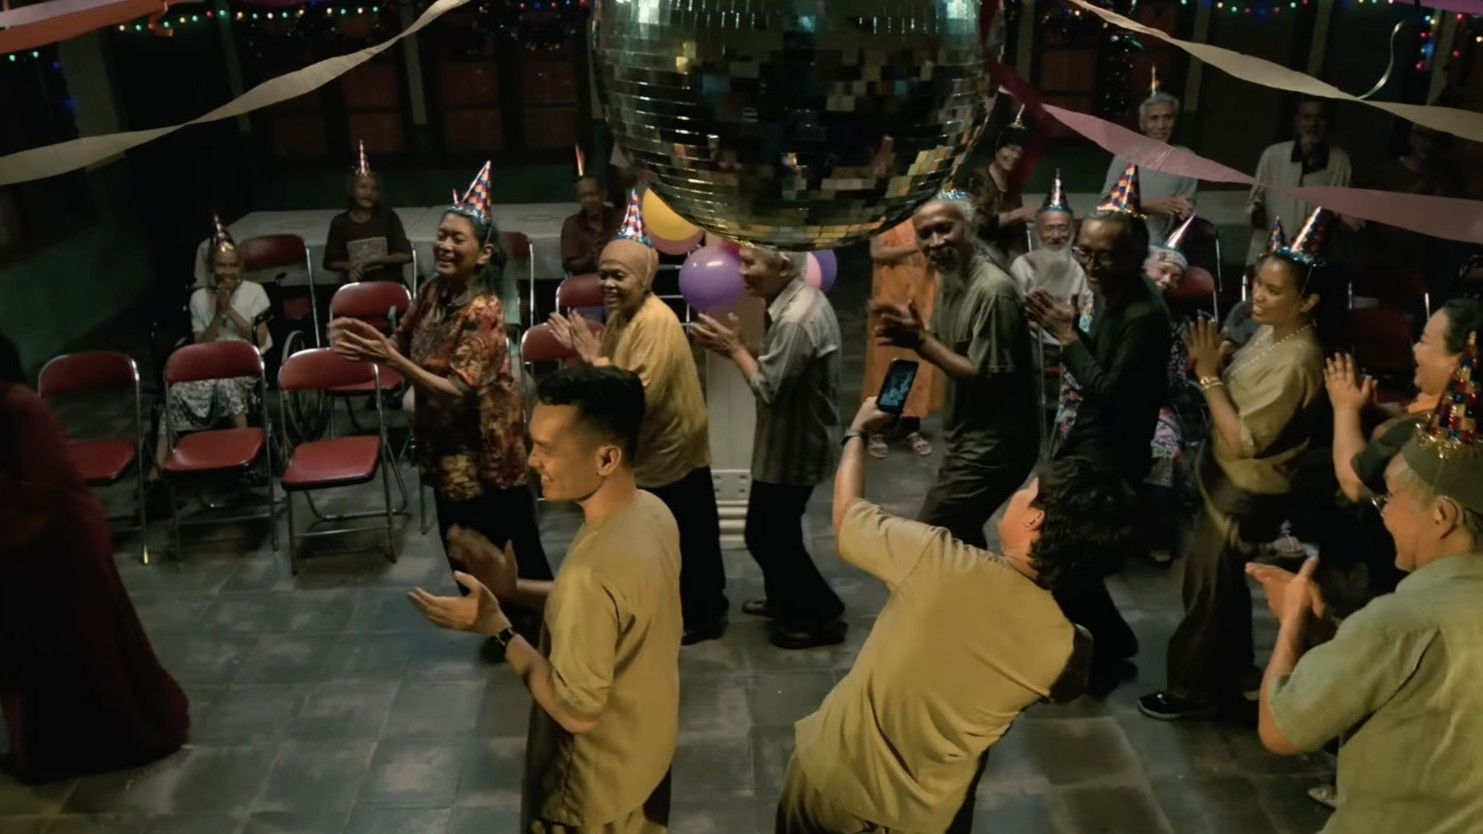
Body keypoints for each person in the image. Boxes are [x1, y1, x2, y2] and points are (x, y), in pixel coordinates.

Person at [775, 397, 1139, 834]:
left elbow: (847, 515)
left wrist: (858, 432)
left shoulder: (937, 561)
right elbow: (1064, 687)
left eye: (1027, 492)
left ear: (1035, 520)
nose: (1017, 496)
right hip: (926, 819)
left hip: (831, 782)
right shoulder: (1068, 649)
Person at [410, 367, 681, 832]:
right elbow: (609, 611)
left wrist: (498, 629)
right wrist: (512, 590)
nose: (532, 461)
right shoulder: (653, 513)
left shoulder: (588, 576)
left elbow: (575, 711)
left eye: (548, 449)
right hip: (644, 759)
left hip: (590, 797)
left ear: (606, 458)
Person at [1247, 345, 1483, 833]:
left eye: (1389, 499)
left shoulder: (1399, 621)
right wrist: (1326, 633)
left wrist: (1292, 620)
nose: (1385, 514)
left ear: (1442, 516)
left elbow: (1281, 729)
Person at [333, 162, 552, 649]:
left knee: (513, 547)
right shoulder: (432, 291)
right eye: (441, 236)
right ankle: (496, 626)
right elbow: (403, 338)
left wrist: (392, 360)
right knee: (462, 547)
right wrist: (368, 343)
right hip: (447, 449)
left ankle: (542, 628)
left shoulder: (485, 310)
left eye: (458, 239)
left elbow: (458, 388)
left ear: (484, 254)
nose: (445, 246)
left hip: (491, 454)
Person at [1139, 207, 1333, 720]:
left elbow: (1246, 439)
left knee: (1207, 591)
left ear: (1308, 301)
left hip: (1245, 490)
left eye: (1273, 290)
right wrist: (1223, 360)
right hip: (1223, 480)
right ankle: (1237, 675)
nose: (1258, 297)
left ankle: (1193, 689)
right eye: (1258, 283)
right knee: (1219, 588)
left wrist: (1208, 375)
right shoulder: (1272, 331)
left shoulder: (1298, 359)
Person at [0, 332, 190, 783]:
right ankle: (44, 748)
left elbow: (43, 487)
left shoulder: (18, 406)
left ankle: (83, 745)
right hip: (25, 539)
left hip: (57, 541)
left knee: (83, 645)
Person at [546, 195, 728, 644]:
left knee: (688, 539)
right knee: (667, 539)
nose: (607, 284)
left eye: (619, 276)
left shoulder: (655, 323)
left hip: (672, 449)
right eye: (604, 274)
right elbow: (612, 376)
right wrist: (591, 359)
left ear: (644, 280)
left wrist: (591, 358)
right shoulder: (622, 318)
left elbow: (635, 396)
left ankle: (704, 614)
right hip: (650, 448)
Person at [1025, 165, 1171, 689]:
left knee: (1065, 559)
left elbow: (1111, 392)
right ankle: (1109, 641)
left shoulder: (1144, 315)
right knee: (1069, 560)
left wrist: (1067, 338)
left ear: (1134, 257)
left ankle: (1104, 651)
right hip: (1089, 440)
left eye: (1104, 256)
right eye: (1084, 252)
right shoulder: (1110, 294)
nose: (1090, 264)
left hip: (1111, 453)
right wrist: (1069, 328)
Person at [691, 246, 847, 650]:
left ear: (784, 267)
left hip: (796, 446)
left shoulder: (795, 319)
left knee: (766, 535)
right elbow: (785, 366)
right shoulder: (798, 301)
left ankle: (821, 614)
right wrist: (744, 348)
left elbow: (768, 389)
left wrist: (734, 350)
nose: (742, 271)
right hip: (793, 440)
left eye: (750, 263)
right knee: (777, 530)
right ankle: (785, 601)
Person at [872, 187, 1039, 549]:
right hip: (966, 436)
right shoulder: (951, 277)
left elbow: (985, 376)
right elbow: (948, 345)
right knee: (962, 536)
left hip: (996, 446)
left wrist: (921, 341)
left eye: (945, 229)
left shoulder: (992, 290)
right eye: (925, 234)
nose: (935, 242)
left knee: (935, 534)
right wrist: (918, 335)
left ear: (970, 227)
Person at [1322, 298, 1483, 599]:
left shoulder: (1432, 435)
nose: (1415, 349)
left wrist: (1345, 408)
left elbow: (1355, 484)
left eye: (1424, 341)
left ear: (1458, 361)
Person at [155, 216, 273, 474]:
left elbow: (260, 339)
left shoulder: (255, 292)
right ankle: (159, 468)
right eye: (221, 265)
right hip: (209, 367)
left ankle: (245, 457)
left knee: (226, 385)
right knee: (174, 391)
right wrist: (218, 314)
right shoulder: (198, 298)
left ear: (241, 267)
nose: (227, 272)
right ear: (211, 267)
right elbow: (200, 347)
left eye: (232, 265)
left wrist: (229, 310)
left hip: (243, 367)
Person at [862, 219, 944, 459]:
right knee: (889, 360)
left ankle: (910, 425)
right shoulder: (885, 216)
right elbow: (877, 253)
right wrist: (917, 247)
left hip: (922, 293)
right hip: (891, 293)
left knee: (917, 359)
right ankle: (879, 426)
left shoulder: (926, 217)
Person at [1010, 171, 1089, 409]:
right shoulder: (1023, 265)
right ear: (1038, 232)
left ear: (1071, 231)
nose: (1056, 236)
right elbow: (1014, 313)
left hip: (1074, 341)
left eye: (1062, 228)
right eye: (1049, 229)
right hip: (1034, 346)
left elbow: (1089, 310)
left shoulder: (1084, 266)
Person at [1244, 100, 1354, 266]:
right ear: (1297, 121)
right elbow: (1253, 204)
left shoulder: (1339, 161)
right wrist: (1258, 215)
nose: (1313, 124)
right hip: (1272, 256)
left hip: (1313, 258)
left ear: (1328, 122)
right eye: (1307, 117)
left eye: (1319, 118)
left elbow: (1342, 210)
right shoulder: (1273, 156)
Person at [1102, 73, 1196, 239]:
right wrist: (1146, 206)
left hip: (1164, 242)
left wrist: (1183, 208)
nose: (1161, 125)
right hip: (1126, 239)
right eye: (1154, 119)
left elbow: (1187, 207)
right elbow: (1106, 205)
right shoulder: (1126, 158)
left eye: (1167, 118)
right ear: (1142, 124)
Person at [323, 142, 413, 285]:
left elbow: (406, 255)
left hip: (389, 283)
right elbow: (330, 262)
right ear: (352, 190)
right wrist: (349, 266)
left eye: (374, 189)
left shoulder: (387, 216)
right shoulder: (340, 223)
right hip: (356, 285)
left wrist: (373, 261)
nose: (369, 193)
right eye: (363, 187)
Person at [967, 111, 1036, 264]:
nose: (1015, 156)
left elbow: (1017, 232)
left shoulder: (1012, 184)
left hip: (1005, 258)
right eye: (1010, 148)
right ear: (998, 147)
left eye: (1020, 152)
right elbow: (979, 225)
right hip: (980, 258)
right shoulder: (978, 179)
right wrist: (1018, 214)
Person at [560, 174, 623, 276]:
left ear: (604, 194)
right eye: (583, 196)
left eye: (593, 194)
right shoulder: (572, 224)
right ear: (577, 198)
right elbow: (570, 265)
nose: (589, 201)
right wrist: (591, 255)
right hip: (586, 277)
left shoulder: (620, 218)